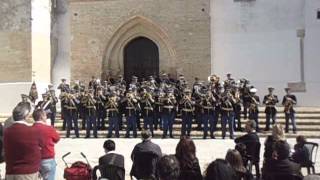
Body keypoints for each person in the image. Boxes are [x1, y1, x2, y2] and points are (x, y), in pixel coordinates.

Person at [4, 103, 41, 180]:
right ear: (26, 116)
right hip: (28, 173)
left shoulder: (7, 131)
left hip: (11, 172)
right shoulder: (32, 131)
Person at [33, 109, 60, 180]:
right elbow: (57, 139)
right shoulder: (48, 128)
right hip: (47, 159)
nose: (46, 117)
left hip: (34, 160)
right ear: (41, 117)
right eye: (45, 116)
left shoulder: (30, 129)